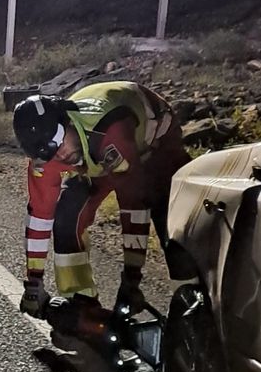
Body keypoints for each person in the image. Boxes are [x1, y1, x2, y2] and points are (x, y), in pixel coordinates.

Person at [12, 81, 192, 325]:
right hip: (94, 156)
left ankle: (193, 308)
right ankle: (82, 300)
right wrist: (34, 283)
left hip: (155, 144)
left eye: (59, 142)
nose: (60, 156)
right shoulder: (47, 157)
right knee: (67, 216)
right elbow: (40, 217)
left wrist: (132, 279)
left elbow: (133, 205)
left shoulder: (109, 131)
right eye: (48, 152)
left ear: (67, 120)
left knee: (170, 219)